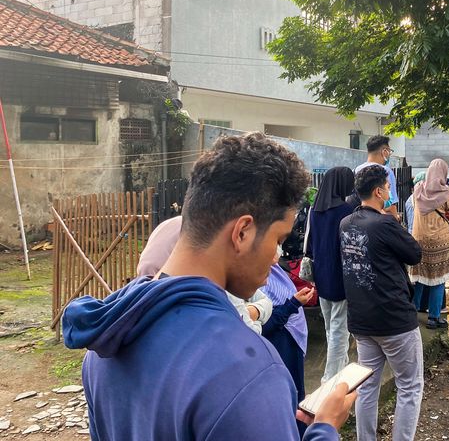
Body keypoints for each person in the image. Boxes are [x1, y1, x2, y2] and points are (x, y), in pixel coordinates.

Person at [62, 133, 354, 441]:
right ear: (242, 232)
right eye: (278, 240)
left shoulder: (107, 335)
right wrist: (325, 429)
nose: (276, 258)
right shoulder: (248, 371)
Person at [340, 165, 424, 441]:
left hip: (362, 320)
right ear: (378, 191)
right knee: (410, 386)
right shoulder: (385, 223)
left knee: (367, 386)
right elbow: (414, 253)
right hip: (394, 319)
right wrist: (395, 221)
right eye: (388, 187)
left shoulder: (346, 223)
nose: (390, 191)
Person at [136, 215, 271, 334]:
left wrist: (255, 311)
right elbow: (249, 334)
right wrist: (256, 317)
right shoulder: (210, 289)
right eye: (277, 241)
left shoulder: (169, 225)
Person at [307, 167, 357, 383]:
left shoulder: (314, 210)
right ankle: (331, 378)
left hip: (321, 273)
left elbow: (309, 244)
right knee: (339, 330)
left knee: (331, 327)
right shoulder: (346, 210)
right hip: (340, 276)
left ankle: (339, 369)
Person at [262, 263, 315, 420]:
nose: (277, 250)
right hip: (281, 345)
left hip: (292, 340)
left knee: (297, 393)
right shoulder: (255, 282)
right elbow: (265, 325)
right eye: (276, 242)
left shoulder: (274, 270)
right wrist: (293, 304)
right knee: (289, 402)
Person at [409, 159, 449, 329]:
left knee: (419, 278)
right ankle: (433, 318)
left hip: (419, 240)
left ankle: (412, 313)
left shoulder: (418, 190)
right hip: (440, 242)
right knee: (438, 279)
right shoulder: (447, 194)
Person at [354, 135, 400, 220]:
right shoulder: (386, 171)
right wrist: (396, 221)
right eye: (390, 151)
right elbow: (391, 205)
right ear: (384, 152)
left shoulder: (357, 170)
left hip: (361, 216)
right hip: (382, 218)